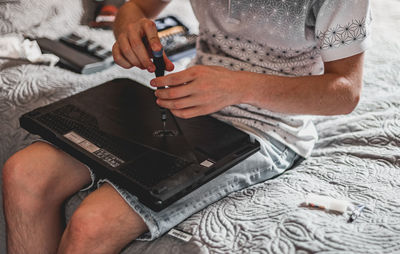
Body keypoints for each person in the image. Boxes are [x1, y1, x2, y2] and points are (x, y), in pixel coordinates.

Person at [2, 0, 371, 253]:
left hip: (268, 127)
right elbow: (136, 8)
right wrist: (129, 30)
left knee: (92, 223)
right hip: (188, 103)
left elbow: (345, 93)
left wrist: (237, 86)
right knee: (24, 173)